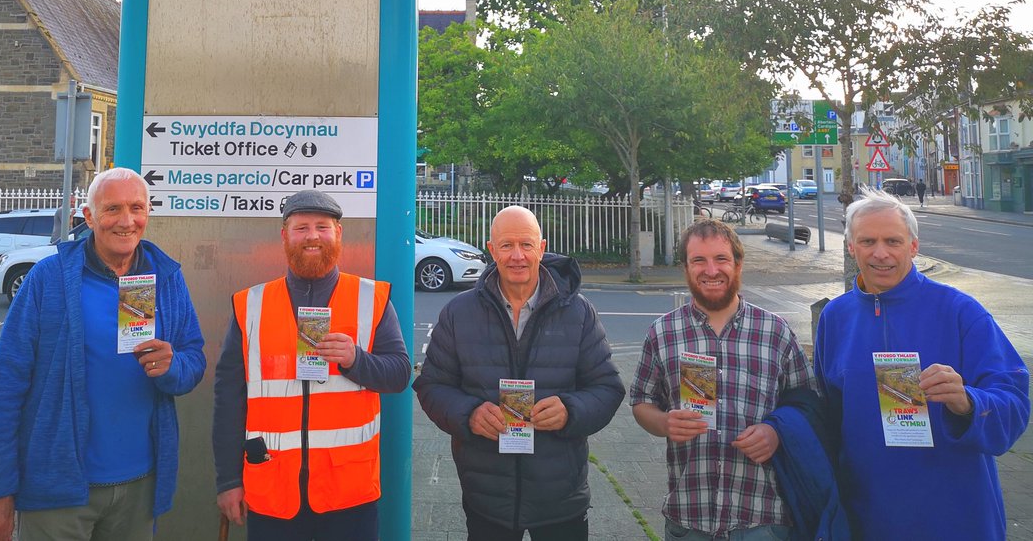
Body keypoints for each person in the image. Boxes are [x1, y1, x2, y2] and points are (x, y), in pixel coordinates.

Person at [0, 167, 206, 541]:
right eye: (113, 209)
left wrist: (172, 366)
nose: (127, 221)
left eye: (137, 208)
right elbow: (5, 386)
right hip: (58, 489)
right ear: (89, 216)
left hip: (139, 486)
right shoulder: (48, 279)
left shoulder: (165, 277)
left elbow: (193, 358)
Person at [814, 190, 1030, 541]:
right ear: (851, 247)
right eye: (867, 241)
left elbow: (1015, 403)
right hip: (867, 516)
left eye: (893, 241)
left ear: (913, 247)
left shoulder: (961, 312)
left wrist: (969, 401)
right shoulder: (835, 318)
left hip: (955, 516)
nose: (880, 253)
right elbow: (828, 414)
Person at [414, 205, 624, 539]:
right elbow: (432, 386)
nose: (517, 256)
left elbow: (608, 388)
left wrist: (571, 410)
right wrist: (468, 414)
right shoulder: (458, 313)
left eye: (526, 245)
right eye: (507, 245)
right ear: (491, 249)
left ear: (541, 248)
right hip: (487, 495)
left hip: (560, 496)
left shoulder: (579, 312)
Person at [212, 189, 410, 539]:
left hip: (348, 492)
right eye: (302, 227)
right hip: (272, 488)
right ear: (285, 235)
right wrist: (228, 481)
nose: (313, 236)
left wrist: (355, 360)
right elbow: (228, 399)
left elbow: (399, 375)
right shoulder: (250, 305)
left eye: (323, 226)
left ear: (338, 234)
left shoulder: (372, 298)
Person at [628, 219, 818, 540]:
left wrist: (776, 432)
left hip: (762, 517)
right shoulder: (663, 332)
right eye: (698, 260)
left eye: (721, 259)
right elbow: (641, 402)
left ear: (738, 264)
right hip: (689, 516)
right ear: (685, 268)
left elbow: (809, 406)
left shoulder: (775, 332)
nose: (711, 270)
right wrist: (663, 424)